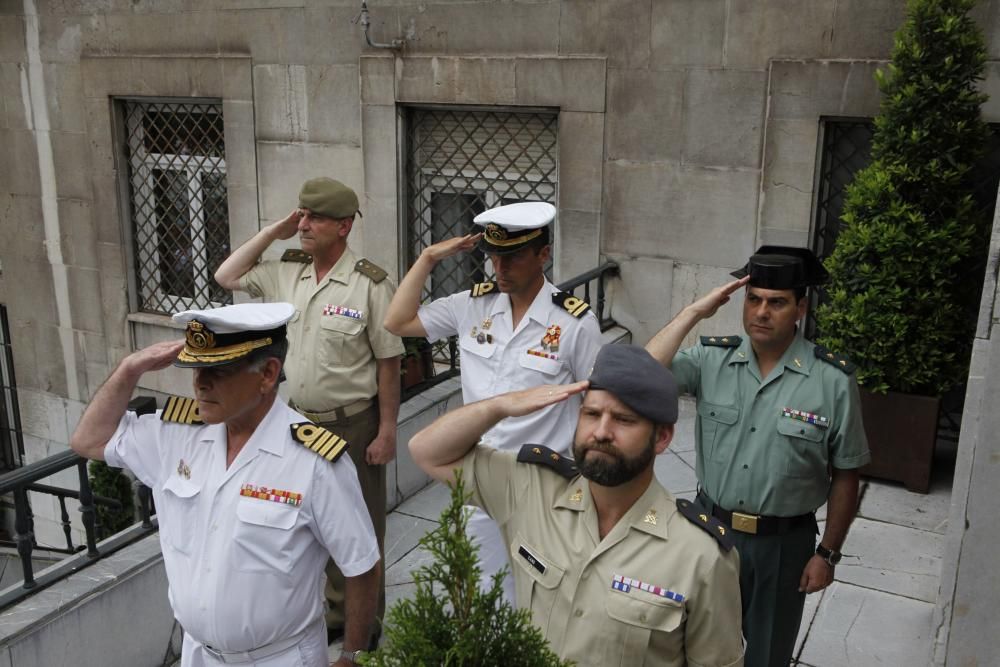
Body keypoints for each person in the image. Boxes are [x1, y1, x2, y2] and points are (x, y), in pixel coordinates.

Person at [69, 302, 380, 667]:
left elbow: (361, 565)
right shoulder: (174, 436)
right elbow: (87, 441)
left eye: (217, 370)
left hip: (280, 658)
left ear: (267, 374)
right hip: (199, 655)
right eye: (195, 368)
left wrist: (351, 656)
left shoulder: (315, 462)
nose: (200, 383)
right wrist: (128, 370)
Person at [408, 344, 745, 666]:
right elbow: (427, 452)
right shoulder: (530, 488)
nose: (601, 431)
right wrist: (499, 405)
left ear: (662, 437)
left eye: (624, 420)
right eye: (591, 413)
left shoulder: (702, 555)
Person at [645, 246, 871, 667]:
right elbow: (641, 372)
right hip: (707, 532)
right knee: (683, 648)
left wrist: (828, 554)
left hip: (783, 548)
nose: (762, 312)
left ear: (800, 308)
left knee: (766, 657)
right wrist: (693, 313)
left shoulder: (833, 381)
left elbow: (846, 474)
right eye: (754, 299)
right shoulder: (712, 359)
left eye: (777, 303)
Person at [383, 201, 603, 601]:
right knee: (483, 594)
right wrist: (429, 257)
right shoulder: (473, 305)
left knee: (543, 592)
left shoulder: (573, 322)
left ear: (543, 254)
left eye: (513, 257)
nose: (500, 269)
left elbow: (596, 401)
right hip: (478, 473)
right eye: (493, 257)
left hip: (543, 483)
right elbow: (397, 322)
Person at [214, 178, 403, 642]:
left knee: (357, 531)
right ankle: (320, 615)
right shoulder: (287, 270)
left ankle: (360, 628)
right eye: (301, 215)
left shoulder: (370, 284)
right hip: (293, 422)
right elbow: (227, 276)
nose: (304, 226)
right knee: (298, 524)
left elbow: (388, 362)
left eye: (314, 218)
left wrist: (387, 430)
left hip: (351, 425)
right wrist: (274, 231)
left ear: (342, 227)